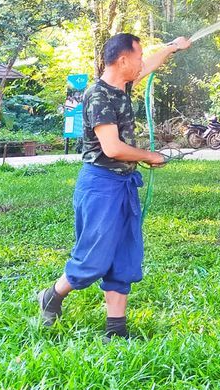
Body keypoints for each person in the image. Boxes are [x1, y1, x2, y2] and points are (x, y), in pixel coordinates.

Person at [36, 32, 191, 339]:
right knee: (94, 257)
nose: (140, 63)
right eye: (136, 57)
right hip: (100, 185)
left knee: (124, 256)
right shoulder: (98, 95)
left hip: (123, 184)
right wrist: (148, 155)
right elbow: (112, 147)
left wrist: (173, 47)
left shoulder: (123, 85)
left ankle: (116, 331)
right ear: (122, 60)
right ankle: (52, 294)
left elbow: (149, 65)